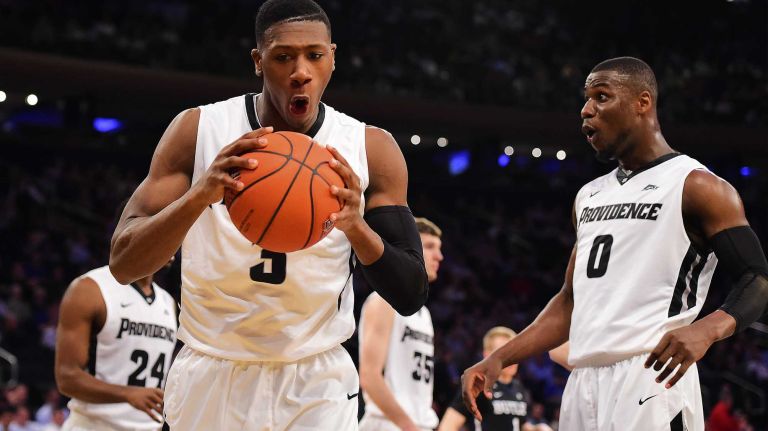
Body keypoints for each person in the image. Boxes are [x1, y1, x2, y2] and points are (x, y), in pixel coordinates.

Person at [108, 1, 428, 429]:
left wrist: (355, 225)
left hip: (316, 377)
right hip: (213, 366)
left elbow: (410, 293)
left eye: (314, 55)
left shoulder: (371, 148)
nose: (300, 71)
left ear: (333, 58)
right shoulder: (198, 130)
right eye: (283, 57)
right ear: (258, 62)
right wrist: (200, 194)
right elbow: (124, 264)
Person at [461, 57, 768, 430]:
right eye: (586, 100)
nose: (586, 110)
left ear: (643, 103)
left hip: (651, 375)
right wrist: (501, 358)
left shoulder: (697, 185)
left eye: (601, 97)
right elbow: (569, 301)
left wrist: (708, 329)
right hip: (583, 379)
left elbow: (757, 278)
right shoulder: (588, 196)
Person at [55, 261, 177, 431]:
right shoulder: (90, 288)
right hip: (94, 426)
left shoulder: (168, 302)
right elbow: (67, 378)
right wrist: (127, 393)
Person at [358, 217, 443, 431]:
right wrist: (409, 427)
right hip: (387, 423)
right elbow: (369, 376)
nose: (439, 256)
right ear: (411, 248)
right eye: (430, 247)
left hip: (416, 424)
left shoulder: (425, 314)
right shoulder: (383, 301)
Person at [439, 327, 549, 431]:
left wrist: (536, 428)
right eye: (504, 352)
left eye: (515, 351)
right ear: (487, 355)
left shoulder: (519, 387)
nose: (512, 357)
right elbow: (447, 426)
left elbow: (518, 423)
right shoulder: (478, 385)